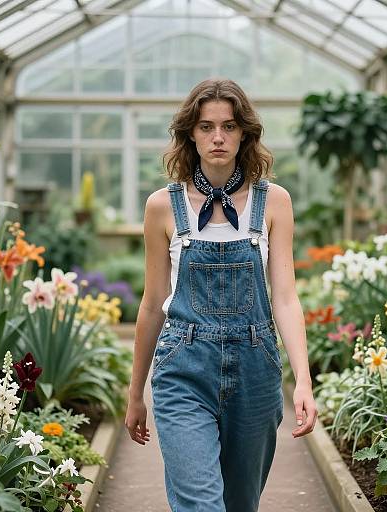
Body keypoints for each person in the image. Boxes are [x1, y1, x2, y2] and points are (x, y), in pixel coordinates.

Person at [125, 78, 317, 512]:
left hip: (256, 369)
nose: (217, 137)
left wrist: (302, 380)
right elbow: (153, 302)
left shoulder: (274, 202)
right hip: (183, 369)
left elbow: (285, 297)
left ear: (244, 133)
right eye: (206, 126)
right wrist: (135, 393)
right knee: (201, 505)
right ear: (189, 133)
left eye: (229, 127)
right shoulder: (162, 206)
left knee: (239, 504)